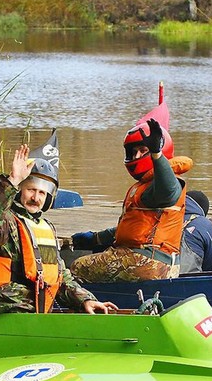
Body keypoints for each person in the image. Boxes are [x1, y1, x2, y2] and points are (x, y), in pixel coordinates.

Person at [0, 144, 117, 315]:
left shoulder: (46, 228)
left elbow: (60, 277)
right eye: (31, 190)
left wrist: (85, 300)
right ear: (19, 191)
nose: (36, 198)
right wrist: (13, 180)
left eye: (42, 193)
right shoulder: (5, 222)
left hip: (35, 312)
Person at [69, 115, 188, 283]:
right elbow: (132, 228)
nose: (136, 156)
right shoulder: (146, 185)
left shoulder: (165, 183)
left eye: (143, 150)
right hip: (158, 263)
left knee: (77, 267)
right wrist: (96, 238)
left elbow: (168, 192)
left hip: (146, 260)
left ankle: (84, 299)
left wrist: (156, 154)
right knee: (101, 260)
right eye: (133, 152)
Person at [180, 190, 212, 273]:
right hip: (189, 278)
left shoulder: (168, 217)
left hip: (160, 275)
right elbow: (211, 262)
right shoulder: (204, 223)